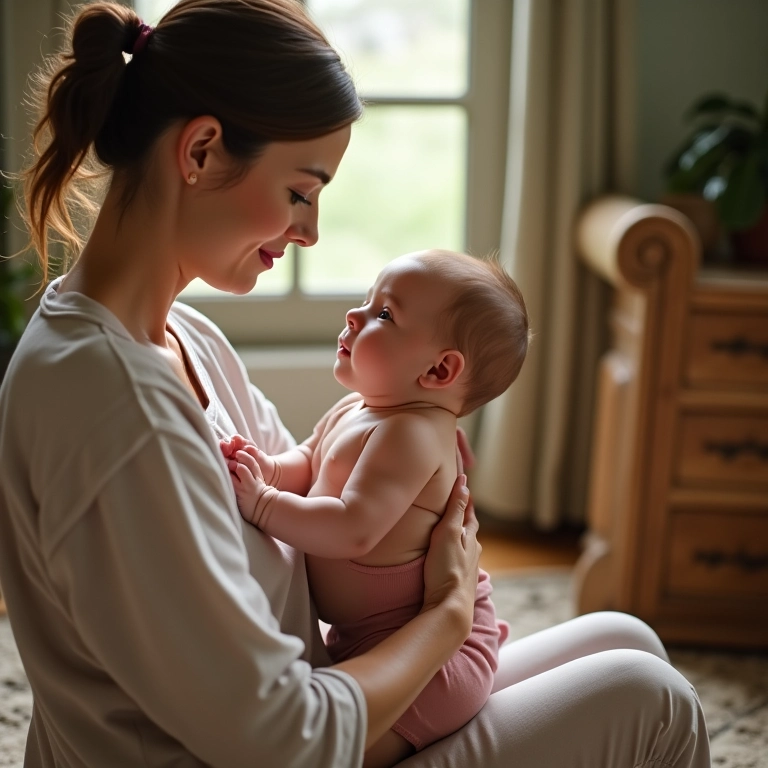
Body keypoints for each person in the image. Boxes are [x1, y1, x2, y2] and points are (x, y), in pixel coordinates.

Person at [0, 0, 712, 766]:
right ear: (201, 151)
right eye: (301, 192)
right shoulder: (116, 407)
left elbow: (314, 493)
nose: (308, 231)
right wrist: (443, 617)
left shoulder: (182, 336)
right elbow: (277, 737)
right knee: (652, 699)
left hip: (310, 695)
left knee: (622, 637)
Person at [222, 249, 526, 766]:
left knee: (346, 755)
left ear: (439, 369)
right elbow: (309, 460)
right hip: (378, 644)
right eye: (368, 300)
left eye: (384, 314)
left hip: (437, 665)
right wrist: (270, 469)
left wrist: (266, 504)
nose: (355, 315)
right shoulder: (359, 406)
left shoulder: (412, 436)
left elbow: (352, 528)